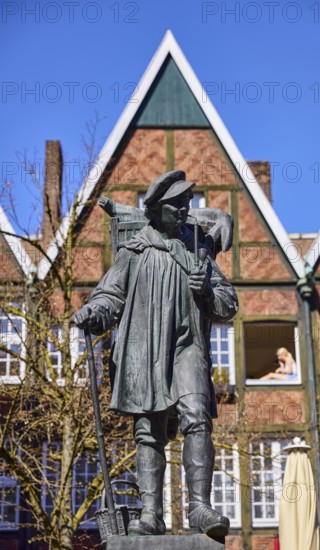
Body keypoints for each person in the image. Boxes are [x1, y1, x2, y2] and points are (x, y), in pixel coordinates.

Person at [74, 170, 238, 537]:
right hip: (143, 351)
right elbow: (109, 296)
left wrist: (207, 293)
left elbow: (228, 304)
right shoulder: (134, 251)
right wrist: (93, 314)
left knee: (196, 415)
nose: (185, 210)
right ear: (156, 211)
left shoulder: (198, 249)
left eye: (187, 203)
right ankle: (151, 513)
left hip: (187, 347)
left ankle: (198, 507)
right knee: (148, 430)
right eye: (176, 204)